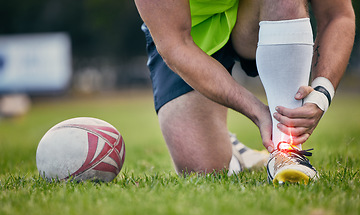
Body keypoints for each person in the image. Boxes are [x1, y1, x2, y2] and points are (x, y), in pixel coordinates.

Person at [134, 0, 355, 184]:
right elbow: (175, 44)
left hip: (253, 15)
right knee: (203, 168)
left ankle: (287, 152)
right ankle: (239, 152)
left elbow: (337, 14)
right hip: (187, 33)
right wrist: (257, 112)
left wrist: (321, 93)